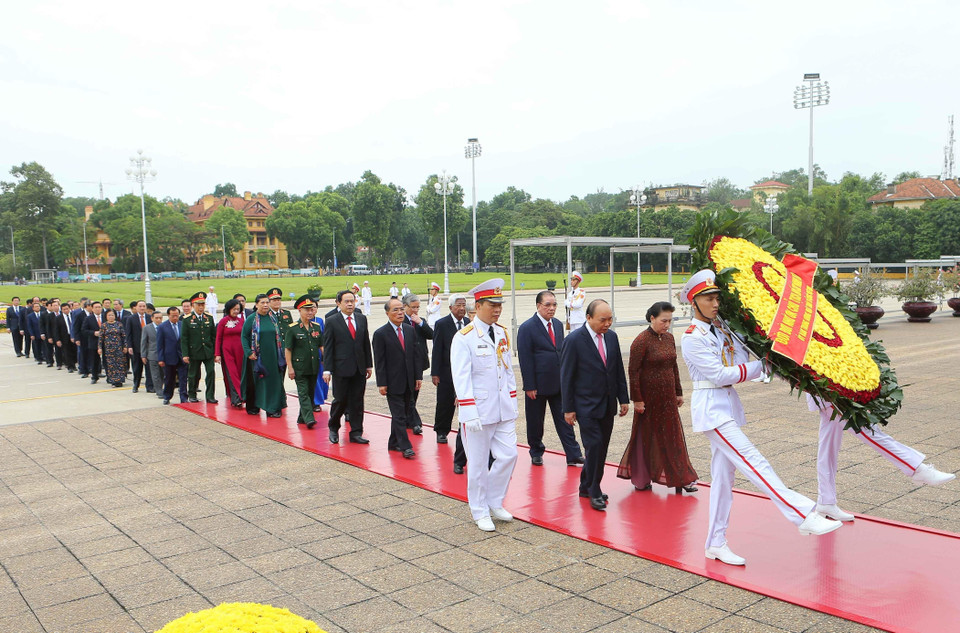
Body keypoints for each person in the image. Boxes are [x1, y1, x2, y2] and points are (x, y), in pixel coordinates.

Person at [679, 269, 841, 567]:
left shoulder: (722, 329)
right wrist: (761, 366)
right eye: (708, 298)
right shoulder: (692, 338)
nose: (715, 303)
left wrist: (772, 359)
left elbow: (743, 359)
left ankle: (715, 542)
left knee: (723, 480)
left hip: (726, 406)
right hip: (712, 411)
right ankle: (803, 514)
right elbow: (719, 375)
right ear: (694, 301)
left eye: (716, 297)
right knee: (755, 462)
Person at [805, 393, 955, 522]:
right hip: (828, 391)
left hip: (829, 389)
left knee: (828, 447)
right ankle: (916, 469)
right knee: (866, 429)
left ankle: (826, 501)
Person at [450, 278, 518, 532]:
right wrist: (468, 412)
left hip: (502, 409)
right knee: (478, 465)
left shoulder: (501, 332)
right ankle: (479, 510)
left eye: (500, 304)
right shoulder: (464, 337)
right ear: (478, 306)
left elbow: (507, 371)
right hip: (478, 411)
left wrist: (512, 403)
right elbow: (461, 377)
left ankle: (494, 501)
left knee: (509, 455)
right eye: (492, 304)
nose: (497, 309)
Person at [618, 301, 698, 493]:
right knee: (645, 437)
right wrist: (637, 399)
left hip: (668, 398)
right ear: (652, 318)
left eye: (670, 320)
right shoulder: (641, 341)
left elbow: (674, 366)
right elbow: (633, 371)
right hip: (648, 400)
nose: (667, 325)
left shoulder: (669, 338)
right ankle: (642, 478)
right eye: (664, 320)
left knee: (673, 437)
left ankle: (681, 477)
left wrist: (678, 392)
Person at [560, 299, 629, 512]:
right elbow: (566, 377)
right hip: (585, 406)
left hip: (607, 404)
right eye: (603, 320)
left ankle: (585, 485)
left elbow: (617, 369)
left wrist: (623, 398)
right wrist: (568, 408)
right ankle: (594, 489)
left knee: (601, 448)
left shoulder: (612, 337)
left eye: (610, 319)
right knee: (595, 446)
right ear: (588, 318)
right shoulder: (574, 340)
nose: (607, 323)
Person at [518, 290, 584, 467]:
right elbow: (525, 359)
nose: (552, 308)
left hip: (558, 383)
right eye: (547, 305)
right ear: (538, 306)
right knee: (535, 421)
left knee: (566, 419)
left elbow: (560, 352)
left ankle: (573, 454)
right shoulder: (527, 328)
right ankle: (536, 452)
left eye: (554, 304)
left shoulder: (557, 324)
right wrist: (529, 385)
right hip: (537, 385)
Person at [373, 298, 421, 459]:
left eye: (401, 309)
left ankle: (393, 442)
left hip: (409, 380)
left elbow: (415, 356)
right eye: (395, 310)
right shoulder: (380, 334)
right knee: (399, 415)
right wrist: (381, 383)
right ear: (387, 313)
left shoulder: (409, 330)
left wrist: (418, 377)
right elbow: (379, 361)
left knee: (405, 412)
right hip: (392, 382)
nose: (400, 313)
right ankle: (405, 446)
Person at [323, 289, 372, 444]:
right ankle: (333, 427)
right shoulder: (331, 320)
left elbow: (365, 343)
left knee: (357, 401)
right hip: (341, 368)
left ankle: (356, 432)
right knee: (340, 400)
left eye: (352, 300)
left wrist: (369, 365)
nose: (350, 304)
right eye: (346, 301)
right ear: (339, 303)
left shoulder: (361, 318)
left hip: (359, 367)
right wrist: (327, 369)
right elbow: (329, 347)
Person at [431, 294, 470, 449]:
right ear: (451, 307)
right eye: (458, 305)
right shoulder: (442, 324)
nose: (462, 308)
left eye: (464, 305)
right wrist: (435, 372)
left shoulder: (469, 323)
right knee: (445, 402)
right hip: (447, 371)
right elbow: (437, 349)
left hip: (464, 370)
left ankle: (464, 430)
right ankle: (441, 431)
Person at [242, 294, 287, 418]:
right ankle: (253, 406)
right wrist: (249, 353)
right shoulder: (251, 319)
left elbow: (279, 337)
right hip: (256, 358)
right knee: (256, 383)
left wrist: (282, 354)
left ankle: (272, 408)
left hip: (273, 356)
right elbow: (244, 337)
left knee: (273, 382)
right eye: (262, 303)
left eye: (267, 302)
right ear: (256, 305)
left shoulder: (273, 318)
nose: (265, 305)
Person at [285, 295, 323, 428]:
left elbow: (321, 346)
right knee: (303, 392)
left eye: (311, 309)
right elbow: (288, 349)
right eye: (306, 309)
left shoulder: (316, 327)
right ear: (299, 310)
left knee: (310, 392)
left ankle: (302, 417)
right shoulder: (293, 328)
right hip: (299, 367)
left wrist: (326, 362)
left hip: (313, 366)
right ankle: (309, 419)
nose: (310, 312)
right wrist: (290, 367)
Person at [402, 293, 433, 435]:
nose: (415, 310)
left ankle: (408, 419)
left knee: (415, 392)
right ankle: (415, 423)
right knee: (408, 395)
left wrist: (420, 322)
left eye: (418, 307)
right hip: (405, 363)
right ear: (405, 306)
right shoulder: (400, 321)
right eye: (413, 307)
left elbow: (432, 335)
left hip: (419, 362)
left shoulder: (420, 321)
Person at [182, 291, 219, 404]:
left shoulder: (209, 318)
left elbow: (214, 336)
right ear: (193, 305)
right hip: (194, 351)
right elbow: (184, 338)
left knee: (211, 373)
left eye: (203, 304)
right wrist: (185, 354)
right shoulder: (187, 319)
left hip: (208, 351)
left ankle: (210, 396)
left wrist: (216, 352)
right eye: (198, 305)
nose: (201, 307)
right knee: (193, 374)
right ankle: (192, 394)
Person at [216, 299, 246, 407]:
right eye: (234, 309)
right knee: (231, 374)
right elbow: (218, 338)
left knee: (240, 373)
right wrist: (217, 354)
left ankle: (242, 396)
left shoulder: (241, 321)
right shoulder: (223, 322)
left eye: (238, 309)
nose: (236, 311)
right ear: (229, 309)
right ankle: (235, 398)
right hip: (227, 352)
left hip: (240, 351)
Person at [157, 306, 188, 404]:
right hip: (169, 357)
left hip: (182, 356)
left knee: (183, 378)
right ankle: (167, 396)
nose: (175, 318)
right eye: (173, 316)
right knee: (169, 378)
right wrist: (161, 358)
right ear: (168, 315)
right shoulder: (162, 327)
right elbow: (160, 344)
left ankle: (183, 397)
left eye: (177, 315)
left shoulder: (182, 325)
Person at [124, 300, 148, 392]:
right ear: (136, 308)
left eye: (143, 306)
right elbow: (128, 333)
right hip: (136, 346)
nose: (142, 308)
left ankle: (149, 386)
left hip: (148, 347)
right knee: (137, 368)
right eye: (140, 306)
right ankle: (136, 385)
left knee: (149, 368)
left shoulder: (149, 317)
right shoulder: (131, 318)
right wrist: (129, 346)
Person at [99, 308, 126, 387]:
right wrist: (99, 348)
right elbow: (101, 338)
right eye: (109, 315)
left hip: (118, 347)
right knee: (111, 364)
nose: (111, 317)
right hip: (108, 348)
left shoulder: (119, 324)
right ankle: (113, 380)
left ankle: (120, 380)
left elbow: (123, 336)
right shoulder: (104, 325)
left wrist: (125, 346)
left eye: (112, 315)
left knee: (119, 364)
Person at [141, 310, 164, 400]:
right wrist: (143, 355)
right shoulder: (147, 328)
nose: (158, 320)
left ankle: (161, 387)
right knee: (155, 374)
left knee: (162, 374)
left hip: (163, 355)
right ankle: (159, 391)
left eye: (160, 318)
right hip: (152, 354)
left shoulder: (164, 327)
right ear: (152, 318)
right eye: (156, 318)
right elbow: (143, 342)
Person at [311, 310, 329, 411]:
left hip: (319, 354)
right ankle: (314, 402)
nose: (311, 311)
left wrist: (325, 355)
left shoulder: (319, 322)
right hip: (307, 356)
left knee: (321, 379)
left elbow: (323, 339)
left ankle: (318, 400)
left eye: (313, 308)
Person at [82, 302, 104, 383]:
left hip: (106, 342)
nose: (98, 309)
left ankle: (110, 376)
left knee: (107, 360)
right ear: (92, 308)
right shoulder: (88, 318)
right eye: (96, 307)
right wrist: (93, 333)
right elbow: (84, 330)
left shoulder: (105, 317)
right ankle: (94, 376)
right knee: (94, 360)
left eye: (99, 307)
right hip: (94, 342)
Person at [54, 301, 77, 373]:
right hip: (64, 337)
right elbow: (56, 330)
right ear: (61, 310)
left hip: (74, 336)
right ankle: (70, 366)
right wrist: (57, 340)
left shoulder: (74, 315)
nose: (66, 310)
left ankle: (74, 364)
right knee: (67, 352)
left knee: (74, 351)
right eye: (64, 309)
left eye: (67, 309)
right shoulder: (58, 318)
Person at [74, 301, 91, 377]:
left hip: (92, 338)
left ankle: (95, 370)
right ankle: (84, 370)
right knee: (84, 354)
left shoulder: (94, 315)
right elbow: (76, 328)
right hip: (83, 338)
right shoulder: (79, 315)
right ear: (87, 306)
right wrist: (77, 339)